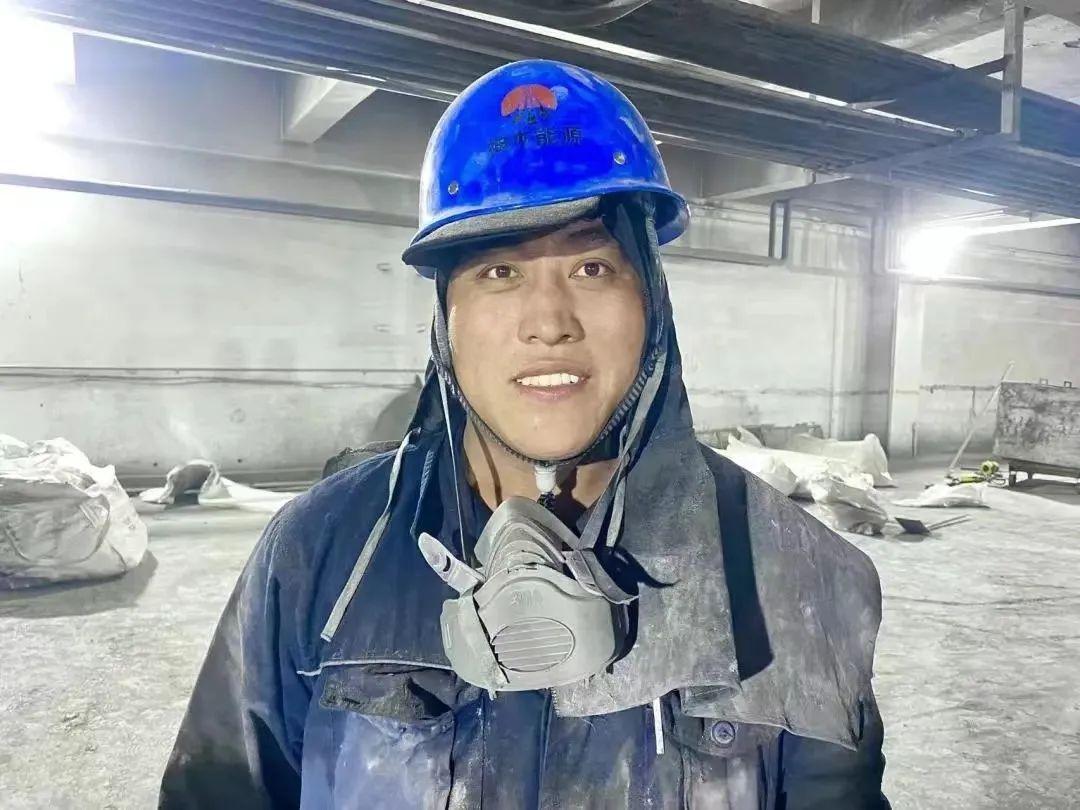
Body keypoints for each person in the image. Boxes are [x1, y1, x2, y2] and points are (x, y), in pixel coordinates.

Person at [160, 59, 889, 809]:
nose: (548, 322)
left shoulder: (794, 575)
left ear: (653, 303)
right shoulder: (320, 553)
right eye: (499, 272)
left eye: (593, 267)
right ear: (444, 320)